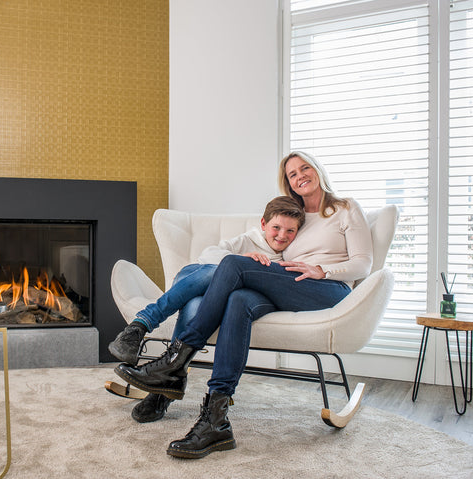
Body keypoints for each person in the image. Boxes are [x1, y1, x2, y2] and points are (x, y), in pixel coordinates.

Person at [114, 151, 374, 459]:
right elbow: (273, 249)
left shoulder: (345, 209)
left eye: (305, 168)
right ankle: (215, 420)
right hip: (286, 284)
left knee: (233, 266)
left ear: (317, 170)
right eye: (292, 174)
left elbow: (364, 263)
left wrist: (324, 270)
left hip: (327, 289)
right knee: (238, 299)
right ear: (287, 183)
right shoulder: (296, 215)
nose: (300, 175)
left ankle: (175, 362)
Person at [109, 196, 305, 423]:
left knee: (193, 305)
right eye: (276, 228)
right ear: (263, 225)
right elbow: (209, 255)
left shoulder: (288, 257)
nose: (282, 236)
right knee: (216, 271)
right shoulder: (248, 240)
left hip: (205, 295)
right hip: (196, 275)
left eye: (290, 231)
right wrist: (240, 259)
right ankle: (153, 349)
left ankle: (159, 375)